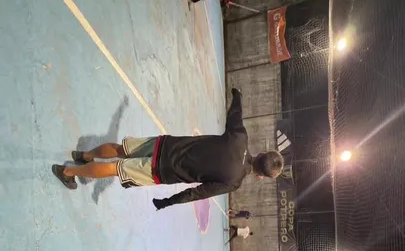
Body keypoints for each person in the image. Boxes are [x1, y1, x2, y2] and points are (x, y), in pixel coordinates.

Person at [51, 89, 284, 211]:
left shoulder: (240, 139)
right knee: (116, 169)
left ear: (262, 153)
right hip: (163, 170)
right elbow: (197, 193)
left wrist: (237, 96)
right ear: (261, 176)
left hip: (166, 144)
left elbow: (236, 114)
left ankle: (84, 156)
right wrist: (168, 202)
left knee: (121, 149)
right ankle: (68, 172)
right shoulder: (234, 182)